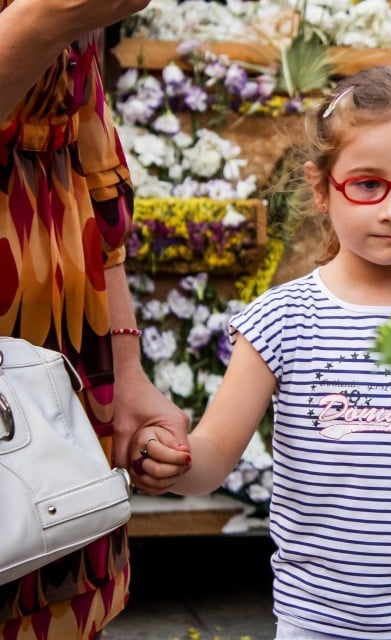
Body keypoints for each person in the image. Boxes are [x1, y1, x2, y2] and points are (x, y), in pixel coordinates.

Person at [132, 65, 391, 640]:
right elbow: (216, 453)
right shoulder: (282, 320)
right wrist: (173, 464)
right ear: (322, 188)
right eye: (368, 184)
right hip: (314, 624)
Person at [0, 1, 191, 637]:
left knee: (50, 562)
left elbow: (92, 164)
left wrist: (128, 370)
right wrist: (44, 20)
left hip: (65, 332)